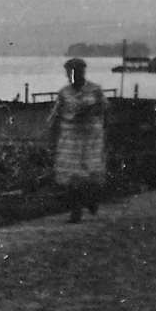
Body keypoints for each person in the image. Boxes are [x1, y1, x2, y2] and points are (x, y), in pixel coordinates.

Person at [49, 56, 107, 222]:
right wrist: (52, 137)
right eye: (69, 73)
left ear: (83, 72)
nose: (72, 76)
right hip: (70, 139)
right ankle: (76, 212)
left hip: (91, 139)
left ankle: (90, 200)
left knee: (91, 173)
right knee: (71, 177)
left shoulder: (95, 90)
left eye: (76, 72)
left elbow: (105, 110)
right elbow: (56, 115)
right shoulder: (64, 92)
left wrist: (94, 113)